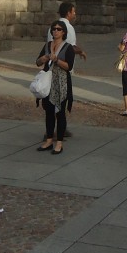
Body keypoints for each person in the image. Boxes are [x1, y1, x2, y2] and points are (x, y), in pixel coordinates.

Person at [35, 20, 75, 154]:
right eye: (53, 29)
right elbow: (37, 62)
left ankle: (59, 143)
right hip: (48, 82)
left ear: (63, 32)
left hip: (61, 82)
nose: (55, 31)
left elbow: (69, 66)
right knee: (49, 111)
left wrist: (57, 60)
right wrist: (44, 58)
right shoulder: (47, 45)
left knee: (60, 112)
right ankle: (49, 140)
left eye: (58, 29)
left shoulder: (68, 47)